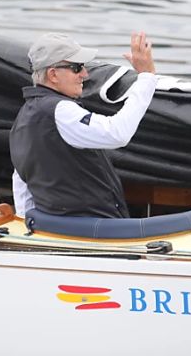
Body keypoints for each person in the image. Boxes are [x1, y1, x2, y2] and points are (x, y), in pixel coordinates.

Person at [10, 32, 157, 218]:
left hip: (61, 230)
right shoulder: (61, 110)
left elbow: (21, 178)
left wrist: (27, 223)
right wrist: (146, 77)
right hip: (91, 231)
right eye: (76, 67)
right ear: (53, 74)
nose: (85, 74)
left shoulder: (24, 115)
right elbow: (118, 133)